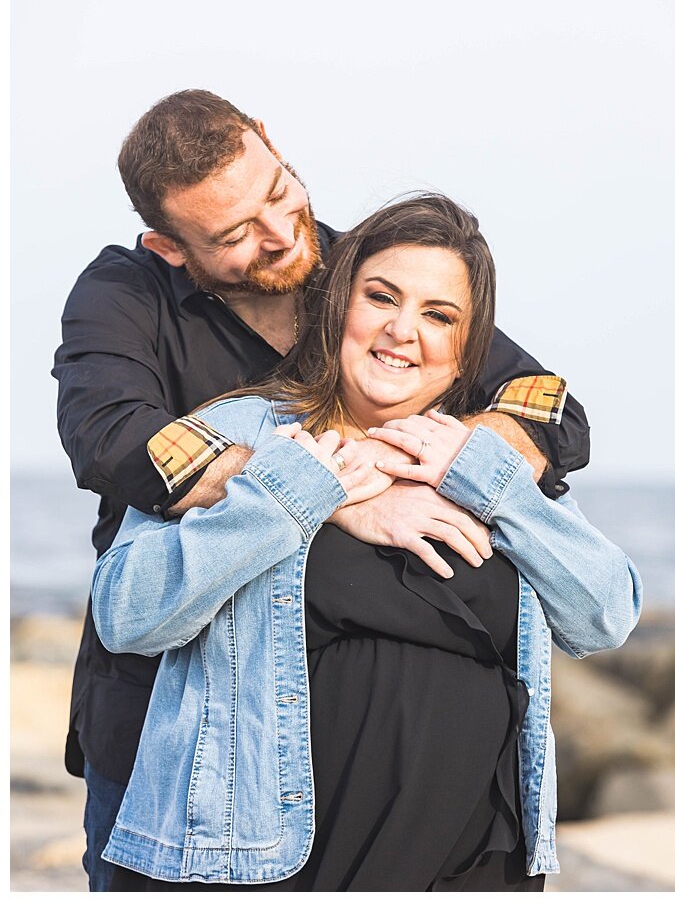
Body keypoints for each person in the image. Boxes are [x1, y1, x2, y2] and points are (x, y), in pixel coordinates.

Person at [53, 90, 590, 891]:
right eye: (234, 234)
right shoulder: (122, 297)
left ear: (271, 141)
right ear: (169, 245)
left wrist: (435, 458)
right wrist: (334, 489)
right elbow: (126, 446)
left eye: (277, 191)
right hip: (167, 723)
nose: (279, 232)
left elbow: (548, 410)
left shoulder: (368, 275)